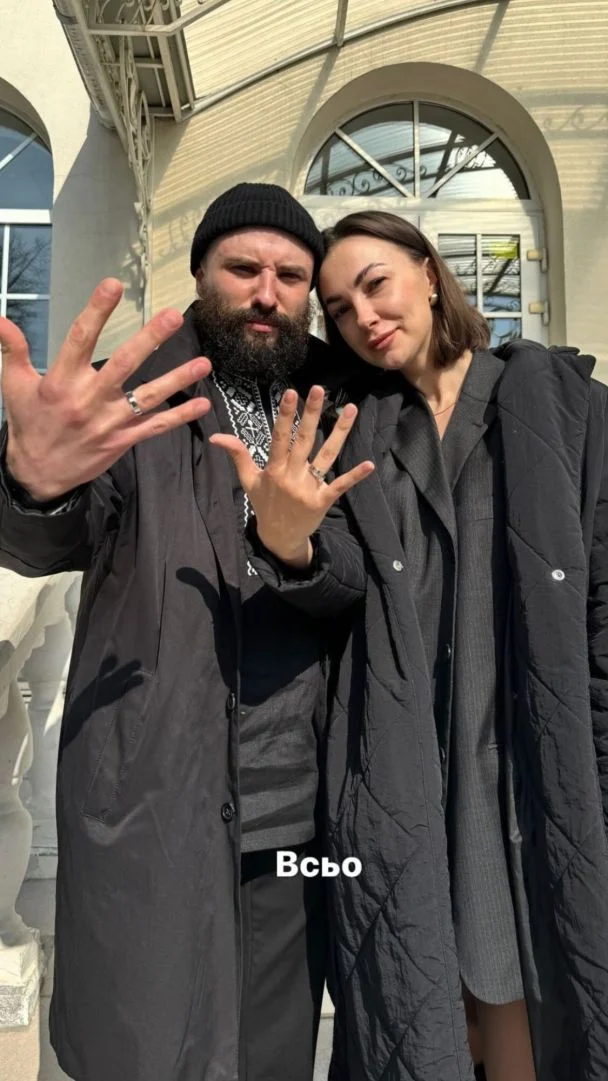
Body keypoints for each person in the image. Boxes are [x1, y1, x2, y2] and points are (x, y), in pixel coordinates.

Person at [220, 211, 608, 1081]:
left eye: (376, 284)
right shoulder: (358, 429)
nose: (363, 317)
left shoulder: (566, 411)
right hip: (400, 758)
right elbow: (340, 580)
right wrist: (288, 544)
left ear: (430, 274)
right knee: (419, 1004)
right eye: (339, 308)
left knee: (521, 1002)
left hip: (521, 757)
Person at [0, 183, 370, 1081]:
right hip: (155, 785)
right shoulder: (134, 393)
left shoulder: (343, 397)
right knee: (141, 1041)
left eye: (290, 275)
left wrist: (294, 549)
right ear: (202, 273)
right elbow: (53, 537)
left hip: (296, 809)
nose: (266, 292)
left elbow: (361, 580)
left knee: (272, 1053)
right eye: (243, 268)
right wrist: (33, 484)